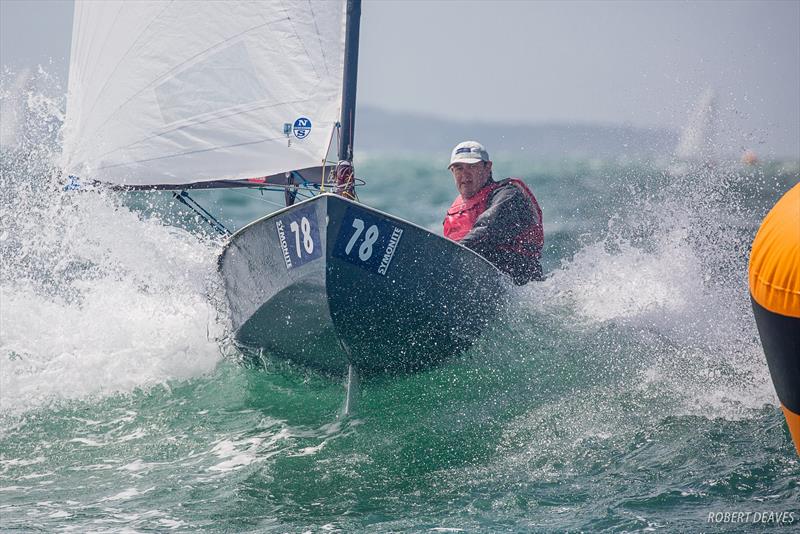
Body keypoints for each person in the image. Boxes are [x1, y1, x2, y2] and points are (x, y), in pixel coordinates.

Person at [443, 141, 544, 285]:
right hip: (471, 282)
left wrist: (447, 255)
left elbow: (488, 229)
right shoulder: (456, 211)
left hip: (517, 285)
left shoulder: (510, 195)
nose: (465, 174)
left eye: (472, 166)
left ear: (487, 167)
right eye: (458, 168)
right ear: (452, 172)